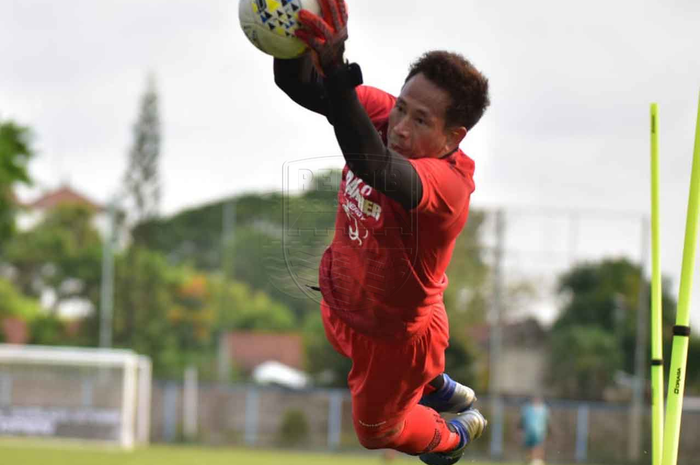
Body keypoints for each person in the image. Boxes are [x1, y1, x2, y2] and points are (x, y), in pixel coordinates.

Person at [273, 1, 490, 463]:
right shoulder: (385, 116)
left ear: (455, 136)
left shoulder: (450, 185)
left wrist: (337, 70)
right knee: (340, 338)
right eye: (403, 108)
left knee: (376, 432)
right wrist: (293, 38)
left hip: (396, 337)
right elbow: (298, 85)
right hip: (348, 299)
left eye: (421, 121)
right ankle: (437, 385)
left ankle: (454, 439)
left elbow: (373, 166)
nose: (400, 127)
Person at [519, 396, 550, 465]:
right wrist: (520, 430)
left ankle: (538, 460)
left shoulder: (543, 409)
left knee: (538, 446)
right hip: (528, 432)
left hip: (540, 431)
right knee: (528, 447)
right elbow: (522, 420)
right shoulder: (527, 408)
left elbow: (547, 421)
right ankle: (530, 461)